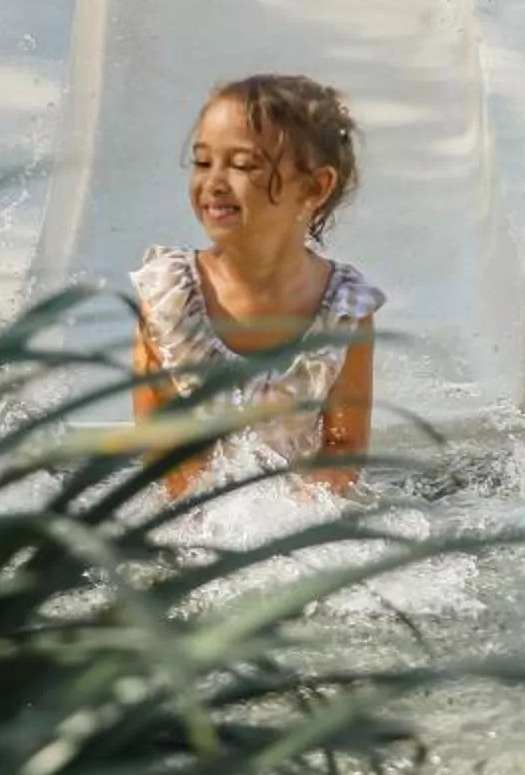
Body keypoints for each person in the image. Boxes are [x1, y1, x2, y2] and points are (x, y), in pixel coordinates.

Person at [132, 75, 381, 500]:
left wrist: (294, 519)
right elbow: (163, 452)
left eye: (244, 165)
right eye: (202, 161)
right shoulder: (169, 297)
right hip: (193, 519)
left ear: (314, 187)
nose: (213, 181)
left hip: (297, 516)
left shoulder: (343, 309)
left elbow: (344, 448)